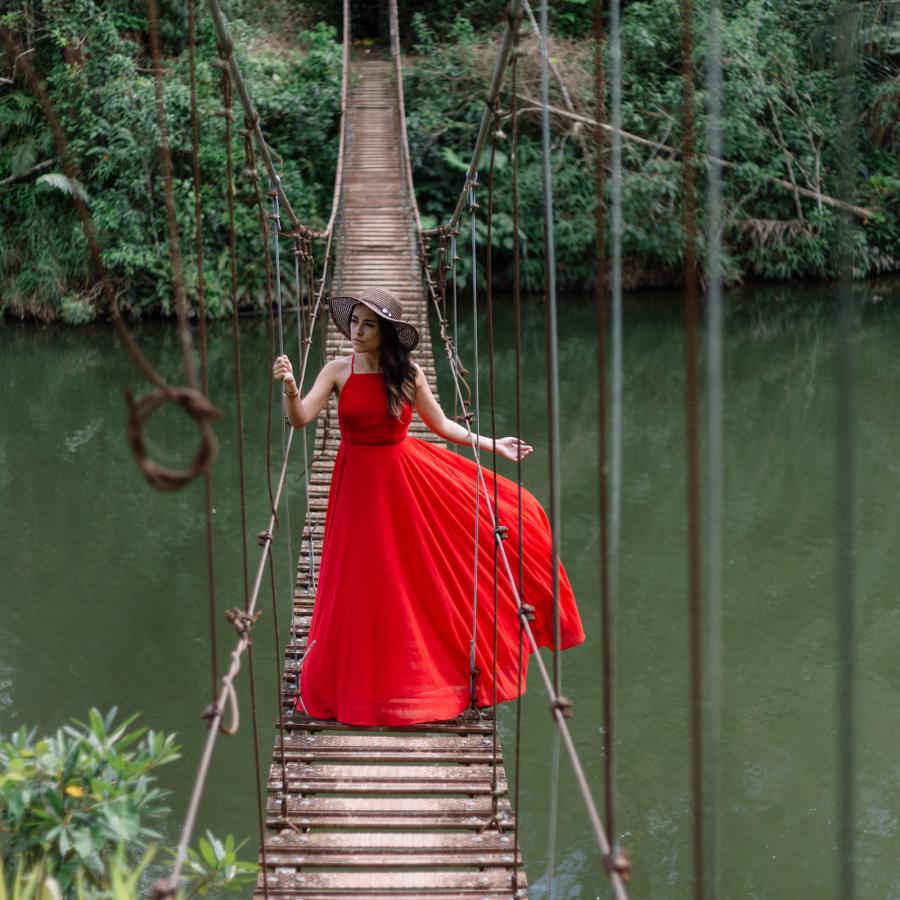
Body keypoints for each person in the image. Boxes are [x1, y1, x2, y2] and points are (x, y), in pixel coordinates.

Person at [272, 286, 585, 726]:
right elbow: (301, 418)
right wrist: (289, 388)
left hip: (401, 479)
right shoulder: (338, 369)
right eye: (354, 322)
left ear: (387, 333)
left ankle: (418, 674)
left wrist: (493, 444)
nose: (356, 332)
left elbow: (442, 425)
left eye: (368, 325)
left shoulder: (409, 375)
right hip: (356, 485)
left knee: (410, 571)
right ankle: (357, 681)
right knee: (358, 577)